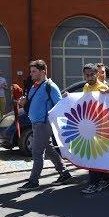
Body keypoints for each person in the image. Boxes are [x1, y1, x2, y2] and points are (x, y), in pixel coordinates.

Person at [18, 59, 72, 191]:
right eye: (31, 71)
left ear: (43, 71)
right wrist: (23, 102)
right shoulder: (34, 86)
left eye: (34, 71)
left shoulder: (50, 86)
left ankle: (33, 180)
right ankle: (64, 173)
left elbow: (59, 105)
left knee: (37, 152)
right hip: (36, 123)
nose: (31, 74)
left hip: (44, 123)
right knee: (48, 149)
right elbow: (30, 102)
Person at [78, 63, 109, 195]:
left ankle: (94, 184)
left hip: (101, 127)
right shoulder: (86, 87)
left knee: (93, 157)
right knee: (96, 156)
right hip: (89, 126)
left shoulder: (102, 87)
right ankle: (108, 177)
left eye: (91, 74)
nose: (89, 77)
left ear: (96, 74)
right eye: (86, 75)